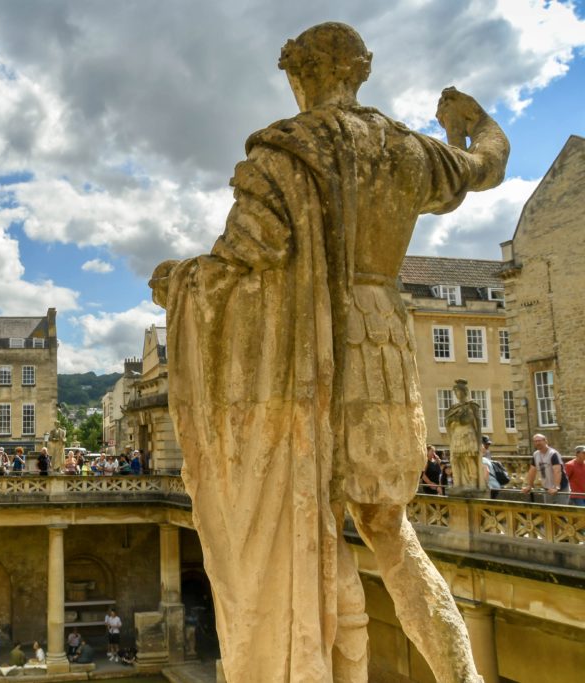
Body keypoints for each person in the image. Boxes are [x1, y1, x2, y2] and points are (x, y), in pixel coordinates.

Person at [148, 22, 508, 683]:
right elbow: (490, 162)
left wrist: (178, 282)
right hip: (387, 353)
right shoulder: (405, 151)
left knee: (308, 539)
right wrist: (471, 119)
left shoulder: (287, 155)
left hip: (312, 367)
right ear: (361, 69)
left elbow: (237, 270)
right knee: (394, 539)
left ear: (296, 76)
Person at [522, 433, 570, 504]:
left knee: (561, 512)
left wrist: (556, 487)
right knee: (549, 512)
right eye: (535, 441)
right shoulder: (536, 454)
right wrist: (529, 485)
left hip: (561, 488)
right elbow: (532, 470)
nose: (537, 443)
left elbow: (557, 471)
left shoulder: (553, 454)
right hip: (547, 488)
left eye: (539, 440)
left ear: (545, 441)